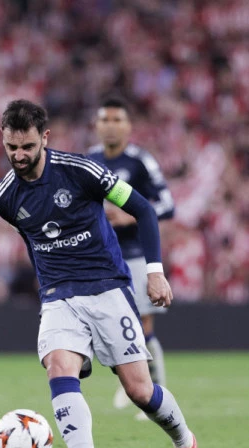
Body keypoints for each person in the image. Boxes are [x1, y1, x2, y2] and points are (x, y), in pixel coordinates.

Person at [0, 99, 202, 448]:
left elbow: (144, 210)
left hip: (107, 287)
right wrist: (47, 294)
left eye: (27, 147)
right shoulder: (5, 198)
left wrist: (155, 273)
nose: (18, 156)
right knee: (59, 366)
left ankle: (185, 443)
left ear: (45, 138)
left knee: (139, 390)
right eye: (11, 147)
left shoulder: (82, 171)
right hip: (58, 294)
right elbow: (33, 243)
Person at [87, 97, 175, 420]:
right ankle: (131, 379)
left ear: (128, 126)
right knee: (110, 325)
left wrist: (128, 216)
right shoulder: (90, 160)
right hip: (101, 255)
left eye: (116, 120)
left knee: (143, 325)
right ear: (97, 125)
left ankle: (157, 392)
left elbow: (166, 204)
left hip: (136, 254)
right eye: (104, 119)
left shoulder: (140, 161)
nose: (110, 126)